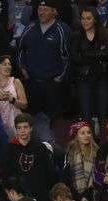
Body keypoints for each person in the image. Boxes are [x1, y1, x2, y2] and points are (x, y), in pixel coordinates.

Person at [17, 0, 72, 143]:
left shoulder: (62, 29)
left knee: (54, 121)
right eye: (40, 9)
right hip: (33, 83)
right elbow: (21, 50)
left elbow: (68, 57)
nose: (41, 12)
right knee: (31, 119)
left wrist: (60, 78)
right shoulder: (30, 27)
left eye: (45, 9)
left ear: (54, 11)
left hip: (52, 84)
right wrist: (23, 69)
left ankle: (54, 150)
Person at [0, 113, 57, 201]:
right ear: (16, 129)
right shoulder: (9, 149)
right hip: (17, 198)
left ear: (31, 128)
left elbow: (49, 172)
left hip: (39, 197)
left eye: (25, 127)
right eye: (19, 128)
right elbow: (4, 174)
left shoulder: (40, 148)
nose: (22, 130)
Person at [73, 6, 108, 133]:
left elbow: (106, 54)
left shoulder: (104, 33)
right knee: (86, 115)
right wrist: (96, 56)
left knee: (103, 114)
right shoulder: (77, 35)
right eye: (82, 18)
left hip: (101, 78)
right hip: (83, 79)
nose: (85, 21)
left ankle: (104, 144)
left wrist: (85, 54)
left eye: (88, 18)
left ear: (95, 19)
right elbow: (75, 58)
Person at [0, 54, 27, 139]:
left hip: (16, 124)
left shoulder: (16, 82)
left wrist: (12, 99)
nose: (8, 66)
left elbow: (25, 105)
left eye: (9, 64)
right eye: (4, 64)